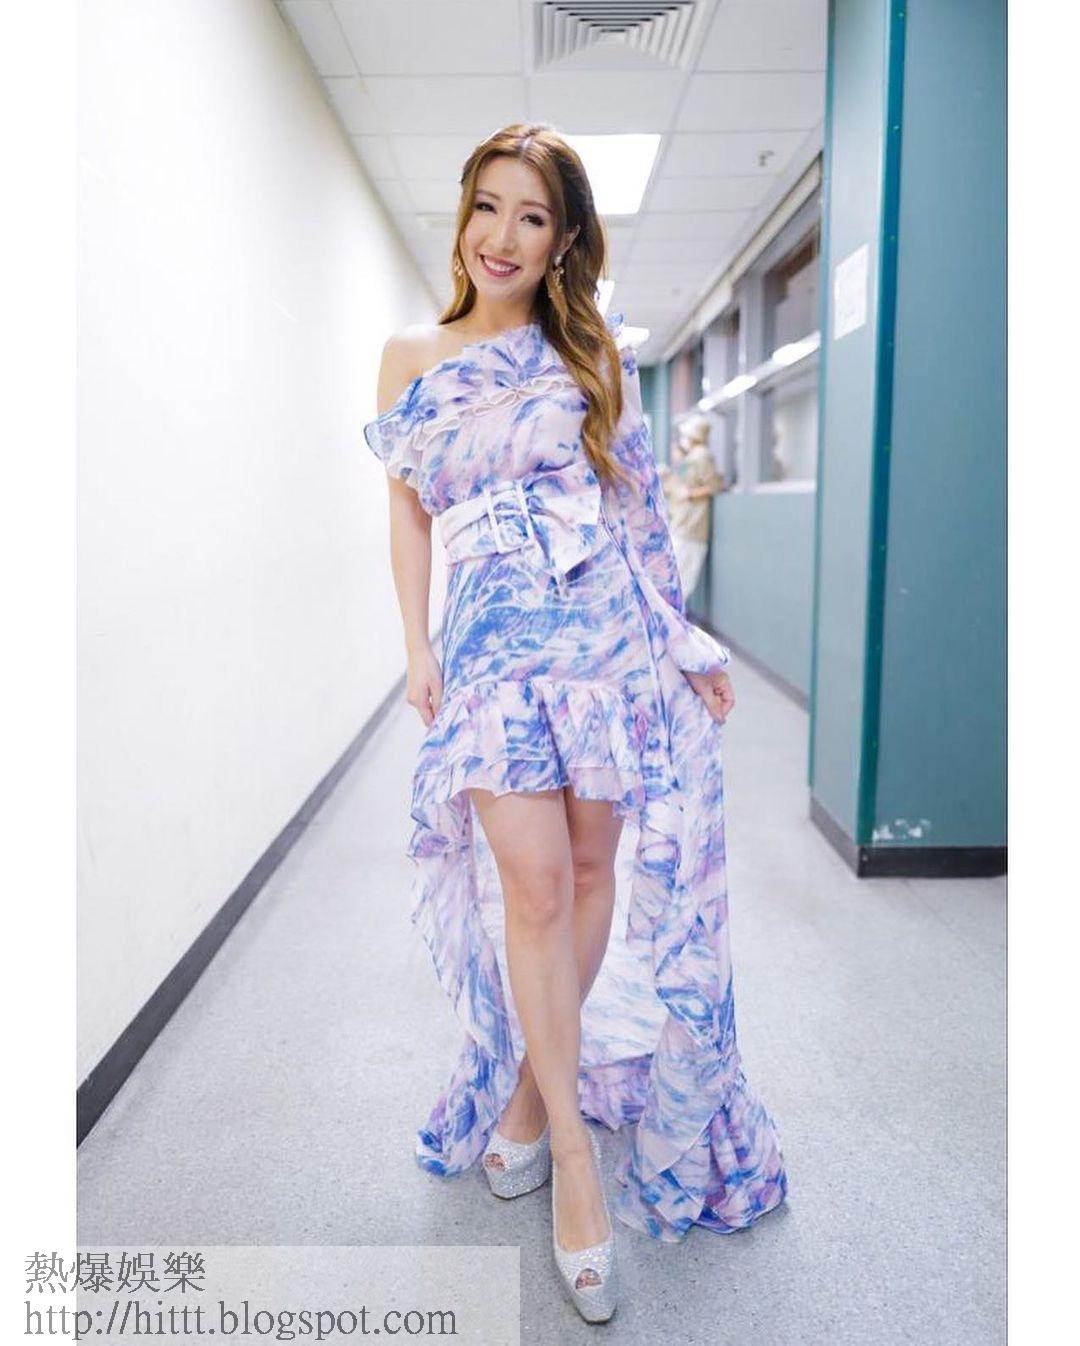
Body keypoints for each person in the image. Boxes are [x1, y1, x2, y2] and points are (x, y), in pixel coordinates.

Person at [362, 123, 787, 1325]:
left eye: (532, 215)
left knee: (594, 868)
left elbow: (636, 511)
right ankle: (574, 1157)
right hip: (494, 641)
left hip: (600, 634)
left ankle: (531, 1098)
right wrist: (417, 643)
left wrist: (682, 640)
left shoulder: (591, 351)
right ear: (463, 216)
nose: (501, 236)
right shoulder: (411, 355)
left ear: (563, 240)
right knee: (537, 885)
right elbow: (407, 512)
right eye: (486, 206)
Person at [659, 415, 724, 601]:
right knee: (676, 576)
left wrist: (689, 495)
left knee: (681, 579)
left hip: (691, 527)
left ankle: (672, 614)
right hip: (683, 524)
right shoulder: (693, 457)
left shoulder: (702, 456)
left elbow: (712, 486)